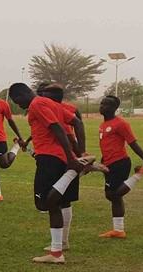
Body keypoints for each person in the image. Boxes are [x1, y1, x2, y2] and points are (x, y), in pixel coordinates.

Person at [9, 83, 86, 264]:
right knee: (57, 203)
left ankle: (72, 172)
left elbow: (57, 129)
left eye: (16, 100)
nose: (18, 105)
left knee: (45, 202)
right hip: (59, 158)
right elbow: (77, 122)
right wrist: (80, 153)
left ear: (22, 94)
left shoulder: (37, 104)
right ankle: (57, 251)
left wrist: (72, 158)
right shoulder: (52, 104)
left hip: (49, 158)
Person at [92, 95, 143, 238]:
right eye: (102, 103)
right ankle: (118, 230)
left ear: (114, 108)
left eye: (106, 104)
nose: (102, 106)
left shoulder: (121, 124)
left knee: (114, 194)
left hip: (120, 162)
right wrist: (103, 161)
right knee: (113, 197)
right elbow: (106, 145)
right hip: (108, 163)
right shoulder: (102, 125)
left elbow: (133, 143)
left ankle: (141, 173)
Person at [37, 83, 89, 252]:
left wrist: (77, 157)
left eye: (42, 93)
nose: (40, 97)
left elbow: (69, 136)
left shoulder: (57, 110)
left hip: (63, 159)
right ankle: (63, 242)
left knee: (55, 202)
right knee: (64, 202)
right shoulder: (58, 109)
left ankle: (61, 244)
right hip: (66, 157)